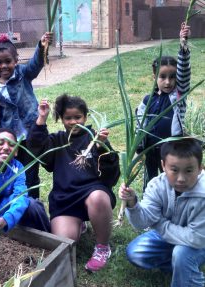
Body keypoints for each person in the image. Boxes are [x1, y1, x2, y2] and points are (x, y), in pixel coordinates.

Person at [27, 94, 120, 272]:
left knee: (98, 198)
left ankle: (102, 247)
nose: (73, 122)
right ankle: (79, 223)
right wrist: (41, 118)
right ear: (62, 119)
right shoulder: (57, 140)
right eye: (68, 118)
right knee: (64, 244)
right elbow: (36, 148)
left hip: (92, 193)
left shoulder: (95, 138)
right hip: (65, 198)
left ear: (85, 117)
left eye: (77, 117)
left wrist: (103, 147)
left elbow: (111, 177)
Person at [119, 138, 205, 287]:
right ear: (163, 166)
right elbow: (142, 222)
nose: (181, 178)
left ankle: (188, 276)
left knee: (181, 253)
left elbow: (196, 238)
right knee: (136, 252)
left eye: (189, 170)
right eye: (174, 170)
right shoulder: (157, 186)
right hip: (169, 237)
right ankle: (180, 266)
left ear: (200, 168)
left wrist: (161, 224)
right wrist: (133, 203)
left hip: (199, 244)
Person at [0, 32, 53, 200]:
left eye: (8, 61)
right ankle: (17, 203)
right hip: (11, 139)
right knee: (13, 171)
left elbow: (35, 65)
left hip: (31, 134)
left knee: (30, 172)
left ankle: (33, 203)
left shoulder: (23, 74)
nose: (4, 66)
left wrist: (41, 46)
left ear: (16, 60)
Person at [136, 23, 191, 190]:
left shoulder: (178, 97)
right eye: (162, 76)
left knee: (170, 183)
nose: (168, 81)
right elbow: (140, 123)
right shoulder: (147, 100)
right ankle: (149, 209)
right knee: (151, 183)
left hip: (171, 150)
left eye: (172, 77)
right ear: (154, 77)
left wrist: (183, 44)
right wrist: (139, 145)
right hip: (151, 150)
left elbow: (184, 72)